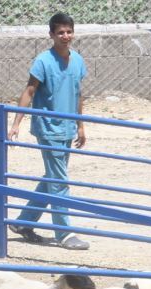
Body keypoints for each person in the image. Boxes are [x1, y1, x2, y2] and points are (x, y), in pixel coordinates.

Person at [8, 11, 90, 250]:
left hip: (67, 128)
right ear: (52, 35)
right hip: (48, 128)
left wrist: (81, 125)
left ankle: (24, 221)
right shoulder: (43, 61)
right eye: (60, 32)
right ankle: (63, 232)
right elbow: (29, 91)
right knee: (60, 179)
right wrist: (16, 123)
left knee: (53, 177)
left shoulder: (77, 60)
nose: (65, 36)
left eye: (69, 31)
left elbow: (78, 94)